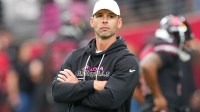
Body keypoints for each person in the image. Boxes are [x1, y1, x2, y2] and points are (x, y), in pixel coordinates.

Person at [51, 0, 139, 112]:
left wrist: (75, 89)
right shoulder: (75, 56)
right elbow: (57, 92)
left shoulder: (127, 60)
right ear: (92, 22)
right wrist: (93, 84)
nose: (105, 21)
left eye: (111, 16)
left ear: (119, 22)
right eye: (100, 16)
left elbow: (111, 100)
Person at [139, 15, 194, 112]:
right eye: (185, 37)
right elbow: (147, 66)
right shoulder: (167, 47)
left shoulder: (151, 48)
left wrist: (150, 102)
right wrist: (158, 97)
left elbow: (132, 82)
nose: (187, 43)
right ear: (175, 34)